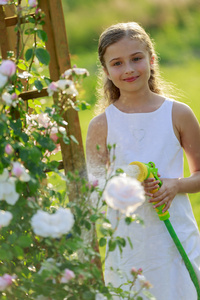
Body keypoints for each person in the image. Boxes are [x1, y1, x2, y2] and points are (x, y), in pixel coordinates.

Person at [86, 22, 200, 299]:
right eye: (117, 63)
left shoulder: (178, 114)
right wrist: (122, 188)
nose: (128, 69)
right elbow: (93, 193)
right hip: (129, 246)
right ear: (105, 71)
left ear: (151, 59)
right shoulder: (101, 125)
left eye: (136, 59)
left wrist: (175, 185)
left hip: (176, 237)